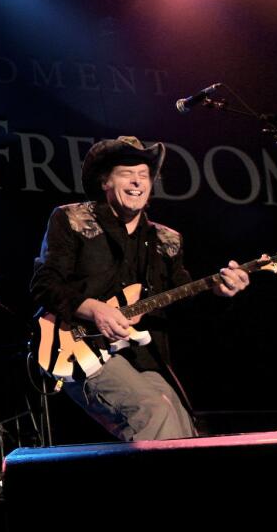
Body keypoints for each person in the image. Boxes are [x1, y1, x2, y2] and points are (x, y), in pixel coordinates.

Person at [30, 136, 251, 441]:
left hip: (143, 355)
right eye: (126, 173)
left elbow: (185, 306)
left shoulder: (167, 240)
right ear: (105, 181)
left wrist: (220, 293)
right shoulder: (71, 219)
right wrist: (95, 309)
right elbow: (44, 284)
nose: (136, 181)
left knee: (182, 424)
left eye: (144, 175)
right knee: (151, 411)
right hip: (77, 347)